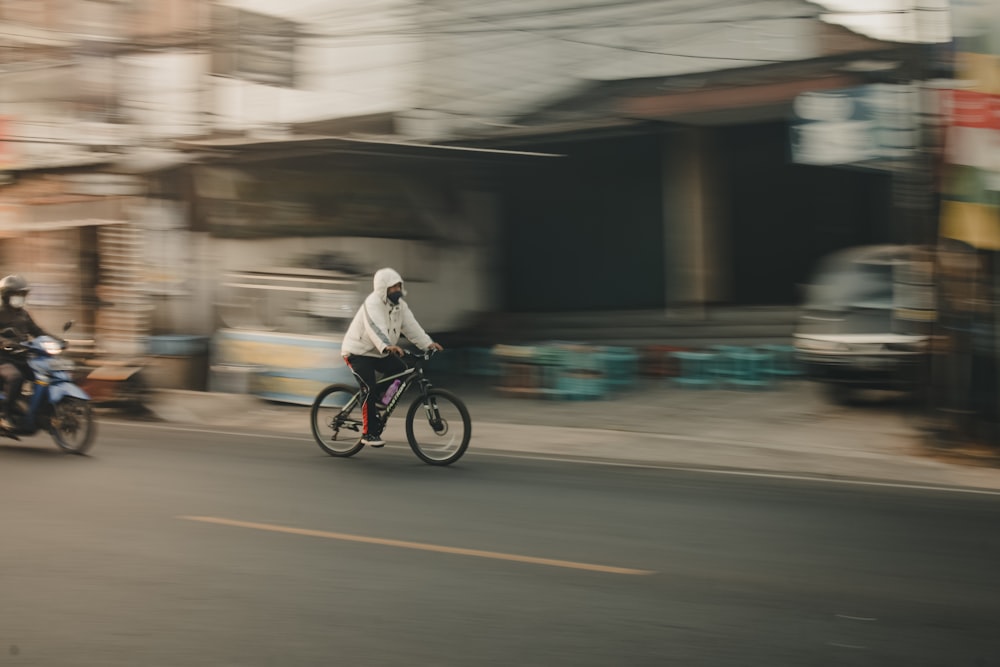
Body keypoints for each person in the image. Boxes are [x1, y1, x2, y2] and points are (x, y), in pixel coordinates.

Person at [341, 268, 443, 447]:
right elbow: (375, 327)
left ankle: (380, 402)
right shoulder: (373, 303)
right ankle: (368, 433)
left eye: (398, 286)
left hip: (380, 352)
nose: (397, 290)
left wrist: (428, 344)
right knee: (369, 388)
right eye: (393, 287)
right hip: (358, 352)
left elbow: (412, 327)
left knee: (401, 370)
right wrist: (387, 346)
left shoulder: (400, 306)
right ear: (383, 288)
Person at [0, 275, 54, 432]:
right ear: (6, 296)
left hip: (22, 356)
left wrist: (56, 340)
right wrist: (5, 342)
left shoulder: (23, 314)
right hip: (3, 358)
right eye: (17, 294)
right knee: (15, 377)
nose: (20, 298)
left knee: (45, 375)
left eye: (23, 295)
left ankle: (41, 413)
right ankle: (4, 415)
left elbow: (37, 331)